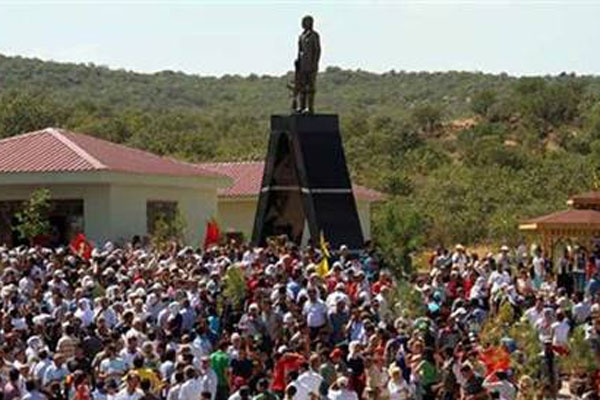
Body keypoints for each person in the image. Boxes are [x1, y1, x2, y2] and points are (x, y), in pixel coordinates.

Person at [293, 15, 321, 113]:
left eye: (305, 22)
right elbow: (300, 50)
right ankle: (302, 106)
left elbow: (317, 50)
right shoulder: (301, 36)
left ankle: (310, 107)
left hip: (311, 65)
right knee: (302, 87)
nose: (303, 24)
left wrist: (315, 63)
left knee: (310, 87)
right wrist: (298, 62)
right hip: (302, 66)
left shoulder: (314, 35)